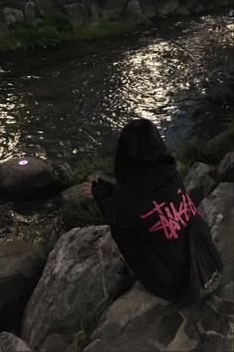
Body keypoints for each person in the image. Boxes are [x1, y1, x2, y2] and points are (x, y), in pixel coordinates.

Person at [80, 118, 223, 305]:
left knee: (120, 228)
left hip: (182, 287)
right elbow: (141, 200)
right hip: (209, 264)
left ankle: (145, 275)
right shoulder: (169, 171)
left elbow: (113, 211)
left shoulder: (131, 193)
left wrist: (97, 191)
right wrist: (105, 187)